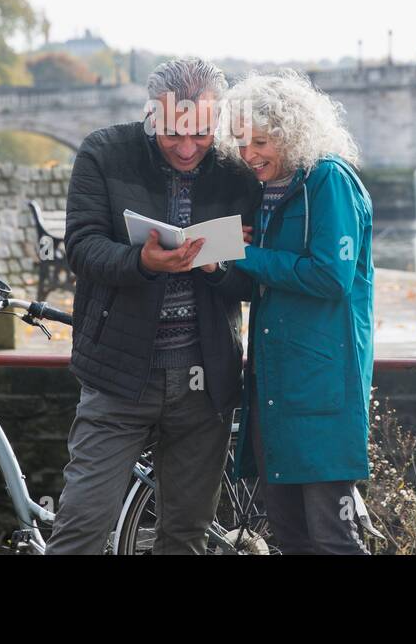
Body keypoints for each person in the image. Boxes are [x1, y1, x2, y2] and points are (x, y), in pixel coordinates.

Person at [46, 58, 260, 554]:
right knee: (80, 529)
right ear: (150, 115)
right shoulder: (103, 152)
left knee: (184, 538)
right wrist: (142, 262)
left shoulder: (238, 173)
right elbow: (80, 248)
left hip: (204, 383)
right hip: (117, 376)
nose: (187, 149)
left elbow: (254, 280)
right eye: (172, 134)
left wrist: (220, 265)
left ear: (218, 121)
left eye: (201, 134)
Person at [217, 70, 375, 554]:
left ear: (292, 134)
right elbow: (269, 280)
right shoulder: (270, 186)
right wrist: (216, 257)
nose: (249, 155)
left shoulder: (329, 180)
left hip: (323, 383)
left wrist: (246, 255)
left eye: (261, 141)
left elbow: (332, 276)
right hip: (276, 382)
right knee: (289, 534)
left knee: (332, 535)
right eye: (242, 143)